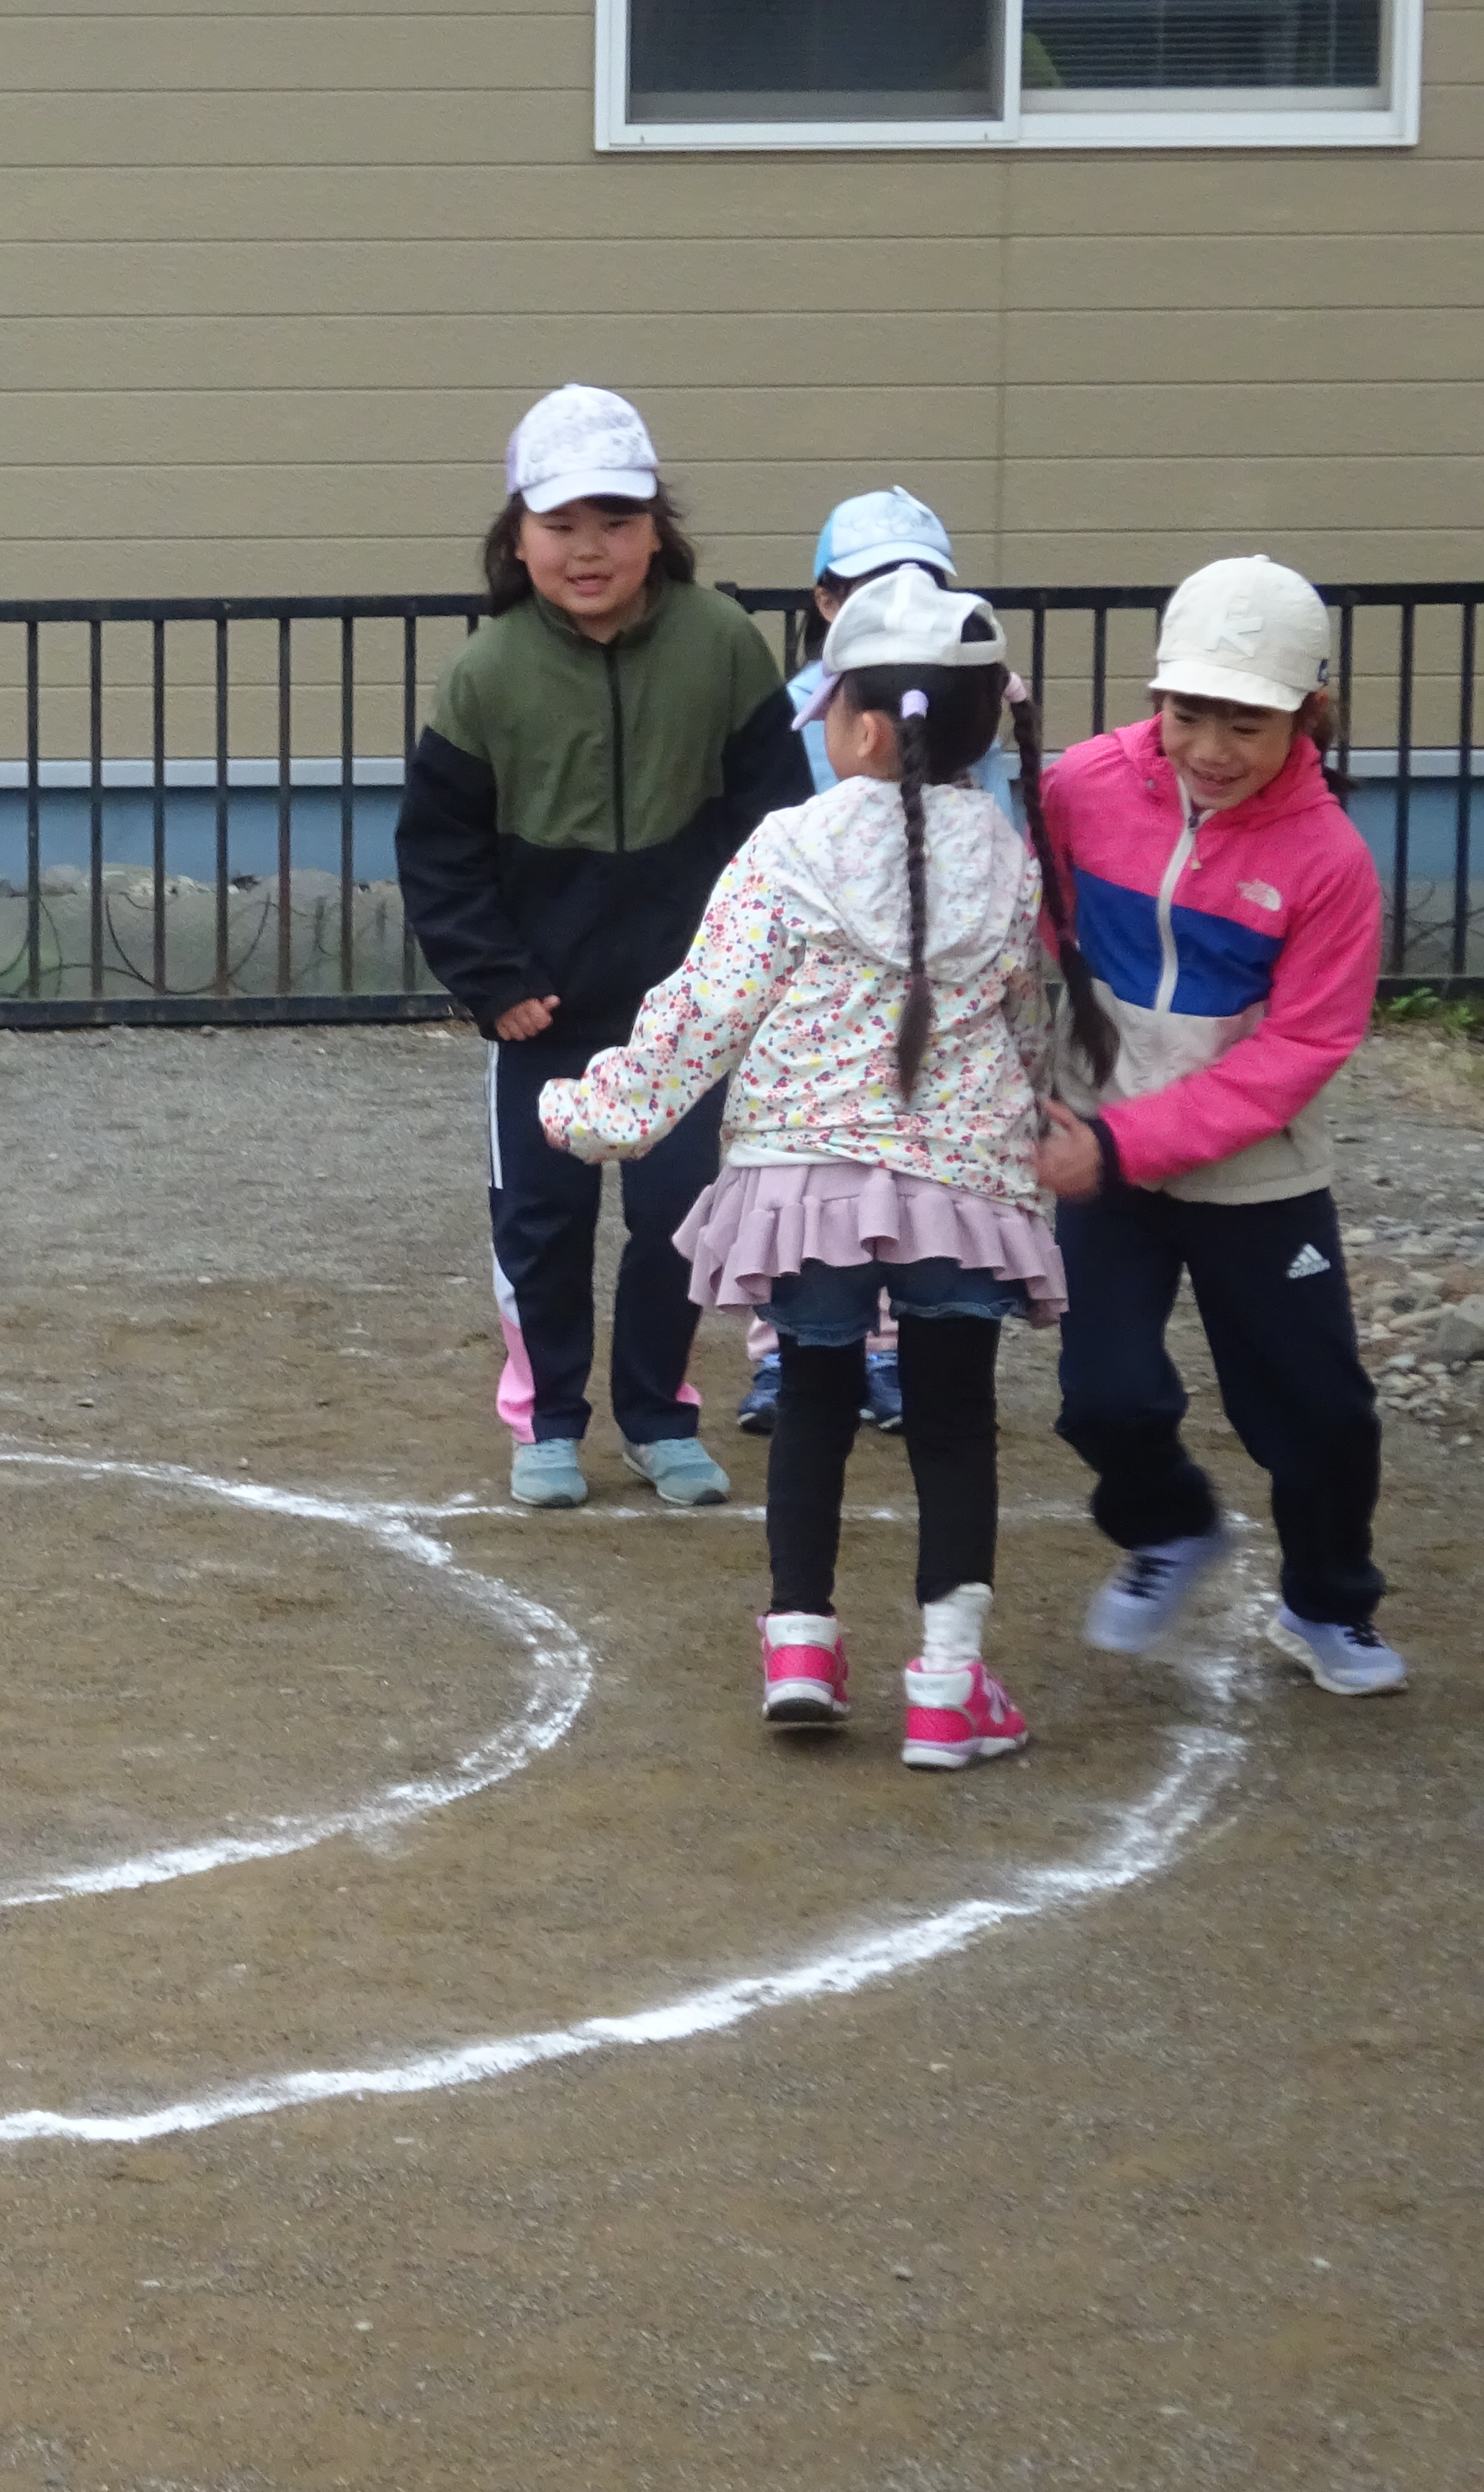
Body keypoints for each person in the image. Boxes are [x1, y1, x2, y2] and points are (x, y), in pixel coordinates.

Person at [541, 571, 1091, 1764]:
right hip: (958, 1185)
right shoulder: (1008, 858)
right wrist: (1033, 1131)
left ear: (866, 727)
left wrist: (596, 1114)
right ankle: (949, 1686)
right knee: (954, 1423)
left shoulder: (789, 846)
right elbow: (1024, 1021)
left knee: (814, 1405)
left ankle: (800, 1644)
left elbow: (703, 1010)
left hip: (808, 1184)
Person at [399, 384, 813, 1510]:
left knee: (681, 1217)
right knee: (541, 1221)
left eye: (617, 521)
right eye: (561, 525)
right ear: (517, 537)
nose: (589, 550)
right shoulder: (488, 671)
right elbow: (439, 850)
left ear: (657, 529)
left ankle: (658, 1416)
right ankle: (547, 1422)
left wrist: (743, 978)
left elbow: (777, 825)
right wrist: (494, 979)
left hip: (689, 1017)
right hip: (543, 1013)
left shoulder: (722, 644)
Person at [1034, 556, 1403, 1696]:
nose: (1210, 748)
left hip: (1255, 1174)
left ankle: (1327, 1604)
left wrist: (1123, 1143)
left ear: (1308, 716)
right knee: (1103, 1399)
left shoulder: (1330, 861)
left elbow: (1299, 1051)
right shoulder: (1081, 786)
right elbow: (1040, 927)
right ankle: (1172, 1525)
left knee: (1319, 1412)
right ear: (1157, 698)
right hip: (1103, 1150)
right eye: (1188, 713)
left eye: (1247, 723)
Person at [741, 485, 1014, 1440]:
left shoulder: (965, 701)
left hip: (927, 979)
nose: (897, 594)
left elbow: (993, 829)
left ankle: (892, 1350)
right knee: (801, 1172)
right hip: (815, 987)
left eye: (922, 577)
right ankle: (787, 1353)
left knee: (911, 1161)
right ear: (824, 599)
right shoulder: (799, 708)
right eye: (867, 581)